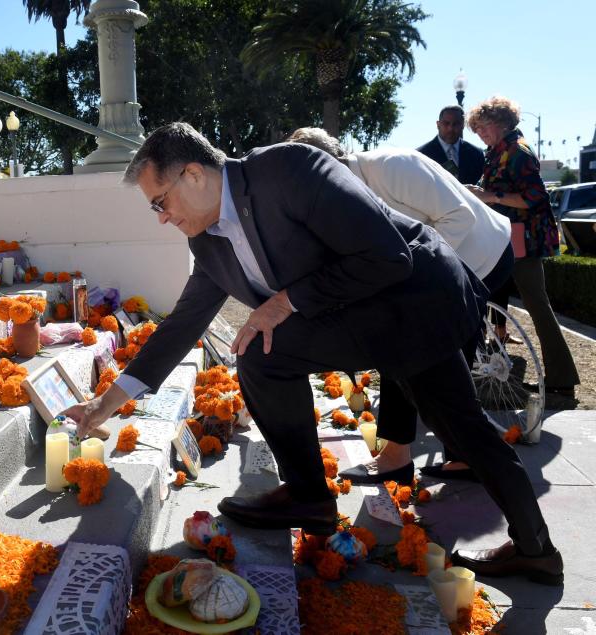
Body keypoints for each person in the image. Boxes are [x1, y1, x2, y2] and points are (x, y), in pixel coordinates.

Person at [63, 122, 562, 585]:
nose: (162, 219)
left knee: (463, 429)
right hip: (355, 315)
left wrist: (282, 302)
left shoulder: (288, 168)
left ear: (192, 174)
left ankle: (536, 549)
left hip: (413, 301)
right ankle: (308, 496)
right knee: (260, 352)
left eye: (160, 202)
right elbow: (179, 328)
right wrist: (105, 404)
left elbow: (389, 255)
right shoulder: (210, 244)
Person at [286, 127, 514, 484]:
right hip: (448, 262)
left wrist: (406, 272)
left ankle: (403, 457)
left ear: (327, 165)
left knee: (410, 345)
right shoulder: (347, 191)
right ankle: (461, 456)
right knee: (427, 357)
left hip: (485, 255)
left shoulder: (392, 166)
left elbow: (460, 218)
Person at [465, 96, 579, 398]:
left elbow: (534, 197)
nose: (478, 132)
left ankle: (562, 378)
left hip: (522, 240)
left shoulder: (518, 152)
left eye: (482, 126)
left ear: (502, 123)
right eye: (475, 128)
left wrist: (492, 197)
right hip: (508, 238)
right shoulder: (499, 152)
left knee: (538, 306)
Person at [418, 105, 485, 185]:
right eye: (446, 123)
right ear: (438, 125)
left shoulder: (476, 154)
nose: (450, 128)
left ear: (463, 125)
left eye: (456, 124)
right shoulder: (421, 155)